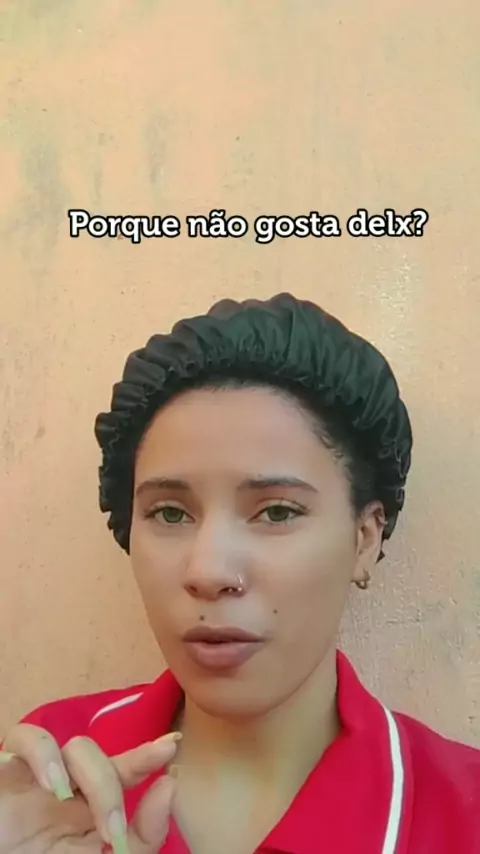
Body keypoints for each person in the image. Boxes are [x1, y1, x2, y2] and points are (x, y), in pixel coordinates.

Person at [1, 293, 478, 854]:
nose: (208, 572)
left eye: (276, 512)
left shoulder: (463, 814)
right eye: (170, 514)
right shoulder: (40, 781)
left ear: (364, 539)